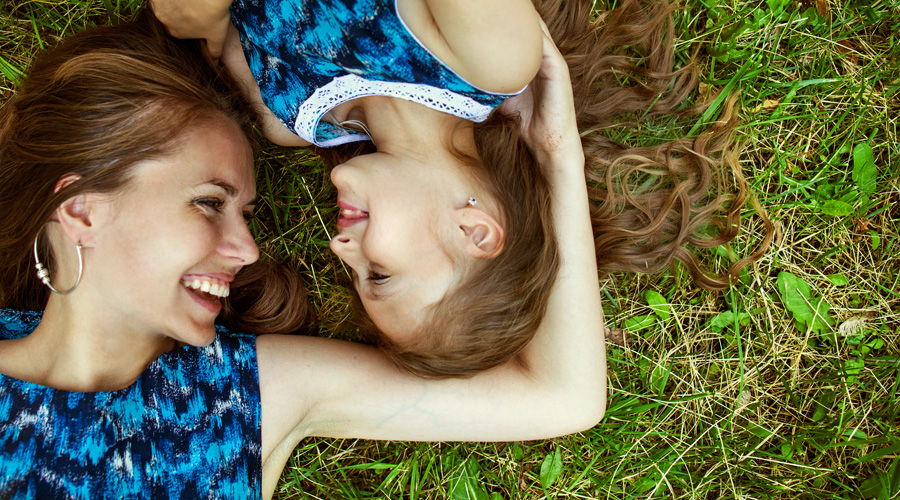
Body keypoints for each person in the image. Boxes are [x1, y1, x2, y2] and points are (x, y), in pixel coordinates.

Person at [0, 9, 605, 499]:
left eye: (245, 214)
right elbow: (568, 396)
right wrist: (552, 151)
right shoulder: (249, 397)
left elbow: (564, 396)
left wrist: (559, 159)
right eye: (209, 203)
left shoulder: (249, 392)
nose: (247, 251)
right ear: (80, 212)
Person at [151, 0, 771, 378]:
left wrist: (203, 18)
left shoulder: (289, 119)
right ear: (474, 230)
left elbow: (210, 27)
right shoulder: (485, 61)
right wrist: (556, 151)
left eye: (355, 277)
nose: (342, 249)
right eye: (381, 274)